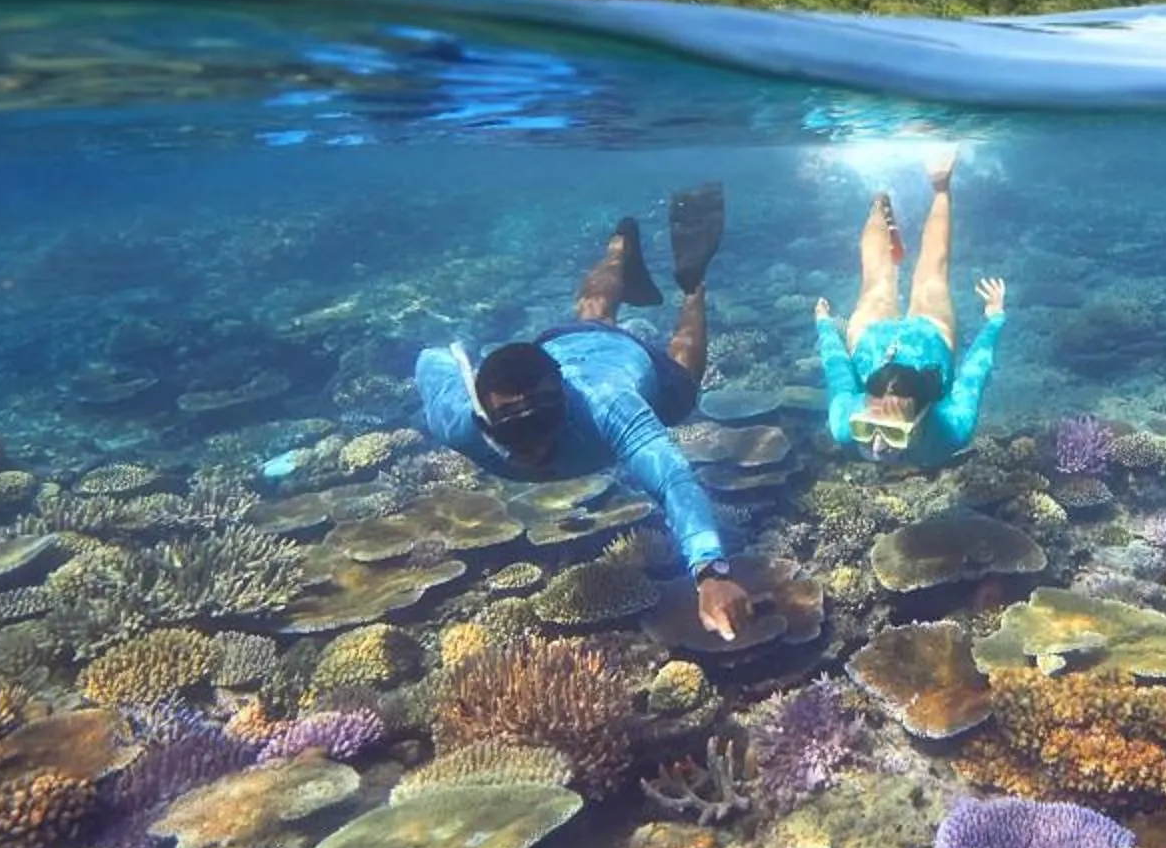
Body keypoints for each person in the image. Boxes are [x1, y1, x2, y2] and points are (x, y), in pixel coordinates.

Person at [416, 184, 757, 639]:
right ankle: (620, 245)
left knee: (680, 385)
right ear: (485, 415)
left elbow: (673, 478)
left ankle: (691, 284)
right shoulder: (462, 423)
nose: (535, 445)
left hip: (620, 360)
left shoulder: (606, 405)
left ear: (565, 401)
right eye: (516, 430)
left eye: (543, 422)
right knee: (593, 312)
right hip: (564, 344)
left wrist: (709, 572)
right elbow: (430, 360)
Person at [815, 149, 1006, 463]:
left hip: (871, 341)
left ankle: (880, 197)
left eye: (893, 433)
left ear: (924, 414)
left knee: (876, 276)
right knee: (932, 270)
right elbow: (975, 369)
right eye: (867, 428)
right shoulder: (953, 431)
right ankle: (940, 187)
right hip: (929, 338)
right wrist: (995, 319)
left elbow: (837, 369)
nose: (876, 448)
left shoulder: (844, 426)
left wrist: (825, 326)